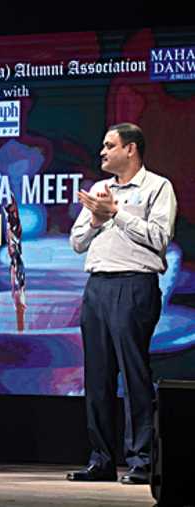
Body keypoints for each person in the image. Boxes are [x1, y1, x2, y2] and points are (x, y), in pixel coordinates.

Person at [66, 123, 177, 485]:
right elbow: (77, 242)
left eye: (109, 145)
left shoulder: (158, 187)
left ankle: (142, 460)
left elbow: (159, 238)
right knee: (96, 377)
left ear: (130, 149)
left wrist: (118, 214)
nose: (102, 151)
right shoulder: (100, 190)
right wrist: (97, 219)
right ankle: (101, 459)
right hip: (97, 286)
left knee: (133, 375)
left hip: (134, 285)